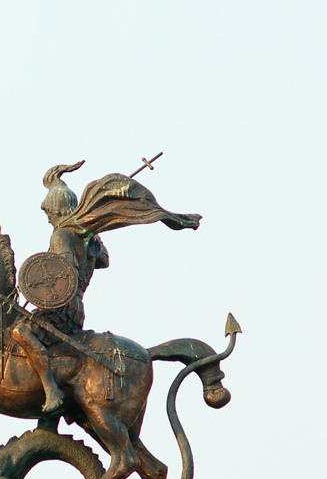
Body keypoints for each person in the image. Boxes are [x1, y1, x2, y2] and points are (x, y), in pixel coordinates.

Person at [12, 161, 201, 414]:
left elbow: (65, 274)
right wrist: (90, 234)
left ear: (57, 210)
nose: (48, 219)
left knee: (21, 331)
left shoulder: (62, 236)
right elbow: (103, 260)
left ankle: (51, 390)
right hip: (76, 310)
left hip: (62, 307)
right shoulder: (88, 237)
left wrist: (41, 285)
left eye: (49, 213)